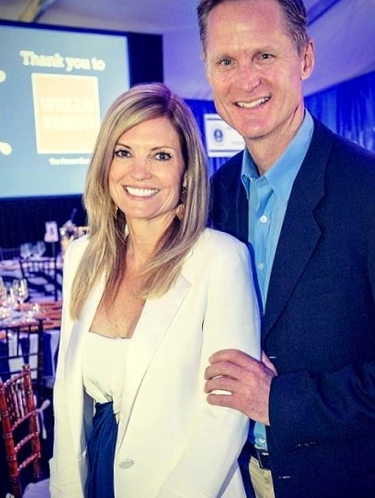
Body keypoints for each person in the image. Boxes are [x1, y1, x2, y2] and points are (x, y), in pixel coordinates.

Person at [196, 1, 375, 497]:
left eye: (265, 56)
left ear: (305, 59)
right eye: (226, 60)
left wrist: (282, 402)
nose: (245, 80)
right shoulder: (214, 197)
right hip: (235, 479)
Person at [49, 82, 260, 498]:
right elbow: (69, 400)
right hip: (97, 477)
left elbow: (225, 417)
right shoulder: (81, 258)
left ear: (186, 173)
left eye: (160, 155)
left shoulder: (221, 260)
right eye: (123, 152)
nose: (138, 171)